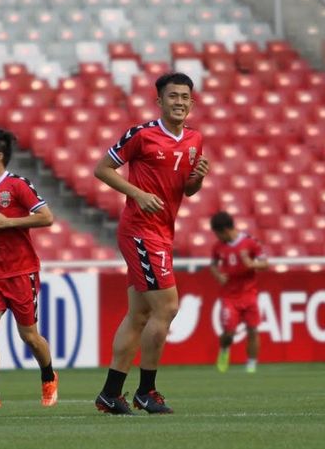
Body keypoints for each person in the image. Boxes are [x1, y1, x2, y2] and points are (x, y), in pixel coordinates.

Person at [93, 72, 210, 415]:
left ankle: (110, 394)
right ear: (159, 100)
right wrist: (137, 193)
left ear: (192, 101)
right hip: (140, 230)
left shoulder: (195, 140)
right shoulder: (141, 135)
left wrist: (197, 180)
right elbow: (102, 169)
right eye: (172, 96)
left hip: (163, 232)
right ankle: (146, 391)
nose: (179, 102)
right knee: (167, 308)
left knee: (141, 313)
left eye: (185, 97)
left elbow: (187, 190)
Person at [0, 128, 59, 409]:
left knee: (29, 336)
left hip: (21, 271)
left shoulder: (18, 185)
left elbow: (46, 217)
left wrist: (9, 223)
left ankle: (48, 376)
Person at [209, 211, 268, 374]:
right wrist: (218, 275)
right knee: (229, 333)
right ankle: (224, 350)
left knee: (253, 329)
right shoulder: (218, 247)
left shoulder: (250, 243)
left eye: (217, 233)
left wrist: (251, 264)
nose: (217, 237)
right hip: (229, 296)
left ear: (225, 230)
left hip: (249, 294)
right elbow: (213, 264)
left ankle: (251, 364)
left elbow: (266, 264)